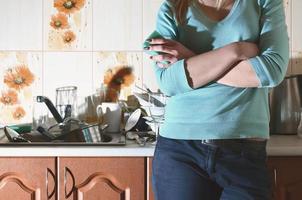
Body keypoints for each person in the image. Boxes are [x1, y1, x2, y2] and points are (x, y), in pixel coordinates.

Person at [144, 0, 289, 199]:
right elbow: (169, 82)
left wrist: (190, 59)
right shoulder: (173, 7)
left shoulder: (264, 2)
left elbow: (272, 71)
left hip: (244, 154)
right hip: (181, 151)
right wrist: (236, 51)